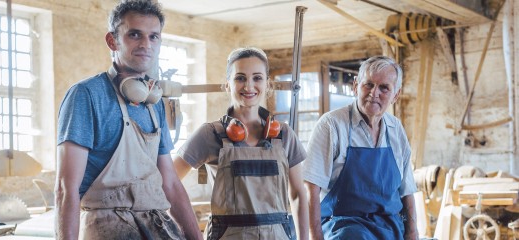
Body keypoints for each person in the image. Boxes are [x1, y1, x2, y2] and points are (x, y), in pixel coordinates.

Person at [54, 1, 202, 239]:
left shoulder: (154, 103)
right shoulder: (86, 95)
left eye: (154, 37)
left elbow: (171, 185)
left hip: (157, 225)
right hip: (108, 227)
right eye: (135, 35)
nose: (146, 44)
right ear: (113, 41)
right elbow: (66, 189)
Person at [173, 47, 309, 240]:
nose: (249, 86)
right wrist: (192, 232)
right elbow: (167, 183)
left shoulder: (284, 135)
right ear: (227, 85)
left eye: (257, 78)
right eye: (240, 78)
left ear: (268, 84)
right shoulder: (210, 134)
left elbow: (297, 194)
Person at [303, 56, 419, 240]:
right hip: (344, 227)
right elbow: (310, 190)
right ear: (355, 86)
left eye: (384, 88)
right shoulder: (331, 125)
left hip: (390, 228)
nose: (374, 93)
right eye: (369, 84)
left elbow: (407, 191)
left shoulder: (396, 129)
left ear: (396, 95)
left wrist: (413, 233)